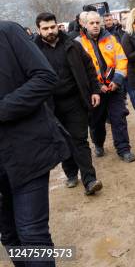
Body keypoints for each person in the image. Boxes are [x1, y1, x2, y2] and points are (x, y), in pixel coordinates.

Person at [0, 20, 70, 267]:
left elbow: (45, 77)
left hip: (27, 152)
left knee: (32, 232)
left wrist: (3, 109)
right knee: (9, 235)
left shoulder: (7, 32)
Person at [34, 12, 103, 195]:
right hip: (50, 106)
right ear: (38, 30)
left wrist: (95, 91)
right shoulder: (33, 51)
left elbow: (89, 67)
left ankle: (90, 180)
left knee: (79, 140)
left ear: (57, 26)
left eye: (52, 27)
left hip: (75, 101)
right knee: (62, 141)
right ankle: (71, 173)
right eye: (45, 28)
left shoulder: (72, 45)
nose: (50, 31)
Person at [76, 11, 135, 162]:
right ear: (85, 24)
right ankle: (98, 143)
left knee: (118, 118)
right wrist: (97, 86)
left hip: (114, 88)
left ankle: (124, 149)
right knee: (96, 122)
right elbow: (81, 70)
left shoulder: (111, 38)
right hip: (95, 92)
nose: (95, 26)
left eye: (97, 23)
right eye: (92, 23)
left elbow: (121, 60)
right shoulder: (78, 44)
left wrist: (117, 80)